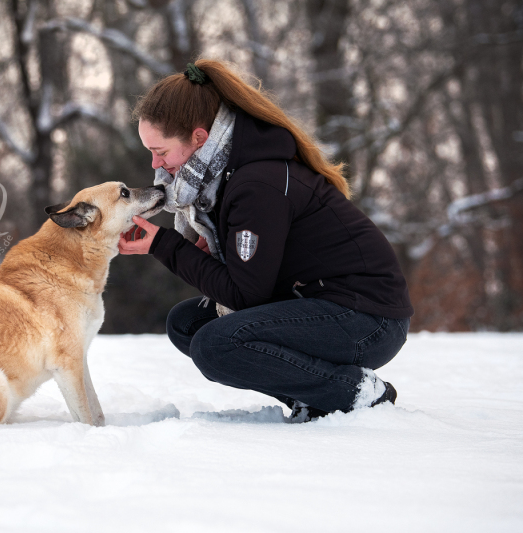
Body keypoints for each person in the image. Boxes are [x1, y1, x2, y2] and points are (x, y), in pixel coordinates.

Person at [118, 59, 413, 422]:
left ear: (199, 138)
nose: (154, 165)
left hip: (368, 320)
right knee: (187, 323)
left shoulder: (256, 183)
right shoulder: (225, 175)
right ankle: (316, 396)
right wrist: (211, 252)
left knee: (215, 346)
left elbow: (246, 295)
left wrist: (164, 245)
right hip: (317, 301)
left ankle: (354, 393)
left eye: (160, 152)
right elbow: (252, 279)